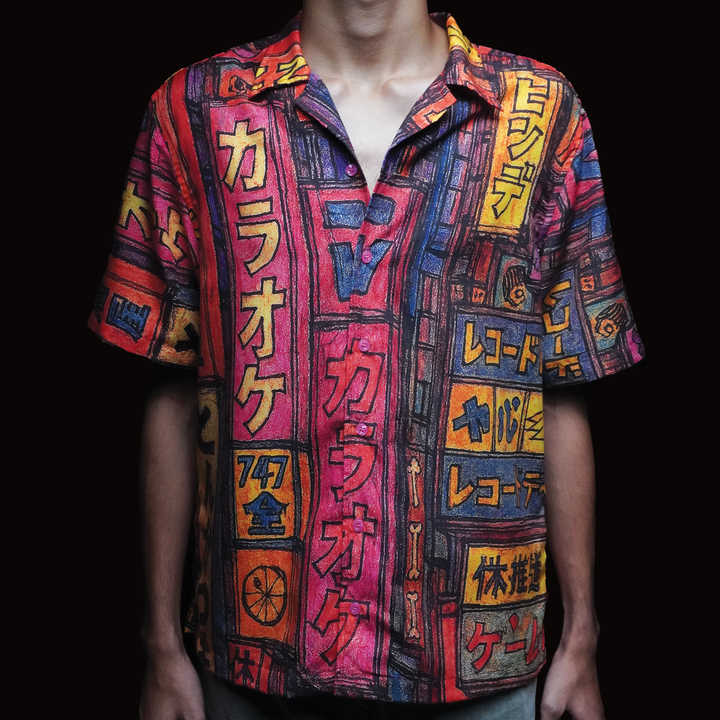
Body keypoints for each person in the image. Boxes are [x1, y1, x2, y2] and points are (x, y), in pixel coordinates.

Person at [89, 1, 644, 718]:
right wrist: (161, 642)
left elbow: (560, 384)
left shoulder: (540, 111)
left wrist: (583, 636)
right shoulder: (194, 110)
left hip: (477, 663)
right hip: (256, 659)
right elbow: (172, 378)